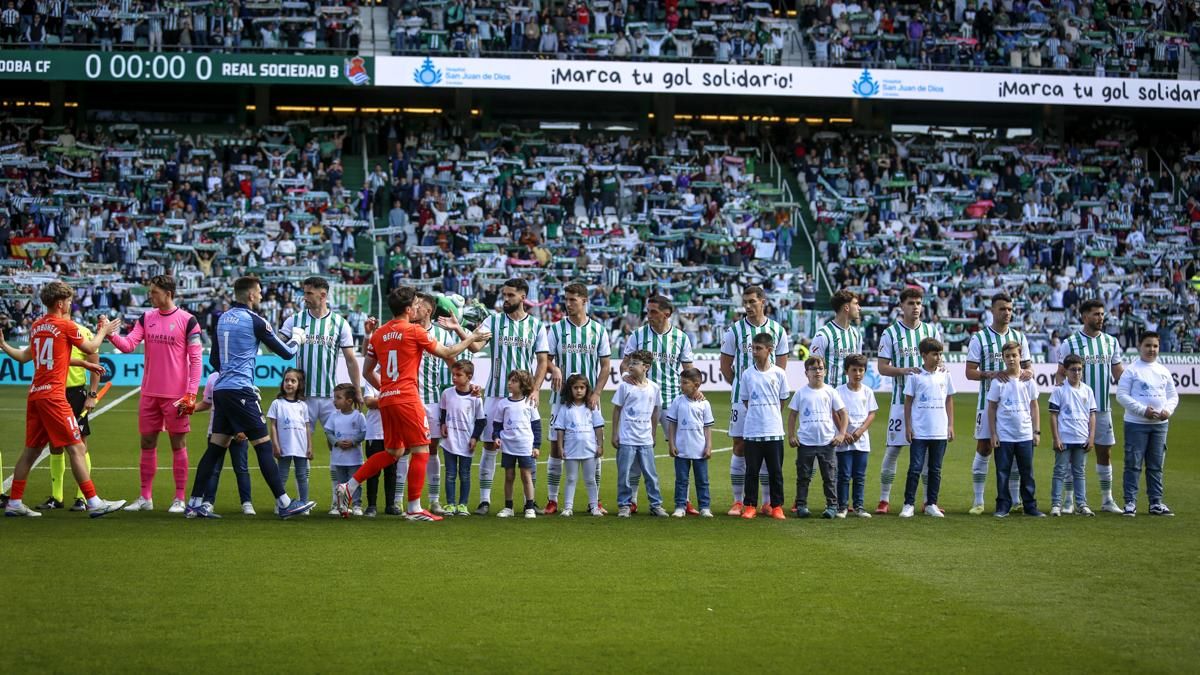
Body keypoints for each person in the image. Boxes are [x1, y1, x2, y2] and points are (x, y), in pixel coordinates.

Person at [334, 287, 489, 521]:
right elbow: (447, 351)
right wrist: (471, 338)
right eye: (415, 303)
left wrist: (387, 388)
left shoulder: (378, 334)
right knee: (421, 448)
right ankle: (415, 507)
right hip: (407, 398)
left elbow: (367, 372)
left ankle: (349, 485)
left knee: (393, 451)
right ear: (408, 309)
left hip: (387, 399)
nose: (418, 307)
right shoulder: (414, 331)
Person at [185, 275, 315, 519]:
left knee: (215, 449)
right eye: (260, 292)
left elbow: (214, 360)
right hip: (241, 390)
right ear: (252, 295)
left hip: (222, 390)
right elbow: (286, 353)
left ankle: (194, 502)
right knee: (263, 445)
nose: (262, 296)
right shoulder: (256, 321)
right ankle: (285, 502)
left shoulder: (222, 318)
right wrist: (298, 337)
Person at [0, 281, 125, 518]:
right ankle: (94, 502)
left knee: (31, 451)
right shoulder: (66, 325)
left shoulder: (37, 326)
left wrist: (4, 344)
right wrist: (104, 330)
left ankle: (14, 502)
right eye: (68, 301)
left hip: (36, 394)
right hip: (54, 397)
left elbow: (25, 357)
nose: (70, 305)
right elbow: (92, 345)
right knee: (76, 447)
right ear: (60, 303)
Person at [108, 274, 203, 513]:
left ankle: (179, 498)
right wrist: (109, 334)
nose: (150, 296)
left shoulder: (188, 321)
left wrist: (191, 394)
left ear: (167, 294)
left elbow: (196, 359)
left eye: (153, 292)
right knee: (147, 442)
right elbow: (129, 346)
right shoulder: (146, 318)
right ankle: (144, 497)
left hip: (177, 396)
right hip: (149, 393)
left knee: (177, 444)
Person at [279, 277, 361, 507]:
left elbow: (351, 360)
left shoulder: (339, 323)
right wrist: (291, 341)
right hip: (301, 399)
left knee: (338, 446)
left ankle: (340, 501)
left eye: (308, 293)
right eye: (304, 293)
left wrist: (358, 391)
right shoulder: (294, 320)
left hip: (329, 399)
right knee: (296, 449)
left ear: (322, 295)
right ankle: (294, 502)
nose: (304, 297)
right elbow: (276, 345)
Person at [475, 278, 548, 516]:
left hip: (524, 399)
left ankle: (530, 500)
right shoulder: (493, 321)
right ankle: (485, 500)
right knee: (489, 446)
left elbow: (542, 361)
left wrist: (535, 389)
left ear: (523, 297)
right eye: (504, 295)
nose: (505, 299)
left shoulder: (536, 326)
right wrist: (457, 328)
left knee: (526, 446)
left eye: (510, 296)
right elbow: (475, 347)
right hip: (496, 393)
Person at [622, 294, 697, 514]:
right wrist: (625, 372)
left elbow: (688, 369)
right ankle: (632, 499)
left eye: (654, 311)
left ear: (667, 313)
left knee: (682, 451)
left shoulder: (681, 338)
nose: (649, 315)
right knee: (637, 449)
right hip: (644, 402)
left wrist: (696, 390)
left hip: (673, 401)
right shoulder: (638, 335)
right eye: (648, 311)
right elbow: (626, 362)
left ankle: (684, 500)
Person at [720, 286, 789, 517]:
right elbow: (725, 366)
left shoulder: (777, 330)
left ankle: (769, 502)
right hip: (742, 398)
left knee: (768, 449)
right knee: (740, 446)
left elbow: (782, 365)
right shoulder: (734, 331)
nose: (748, 307)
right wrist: (742, 386)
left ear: (763, 301)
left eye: (752, 302)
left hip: (768, 402)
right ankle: (739, 501)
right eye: (745, 302)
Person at [544, 282, 611, 515]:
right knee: (555, 447)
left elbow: (605, 366)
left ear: (584, 301)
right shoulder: (556, 329)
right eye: (567, 299)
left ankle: (596, 501)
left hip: (590, 399)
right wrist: (555, 369)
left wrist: (597, 393)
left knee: (594, 447)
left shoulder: (599, 330)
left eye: (573, 300)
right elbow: (546, 360)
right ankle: (553, 500)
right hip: (560, 398)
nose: (568, 304)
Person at [874, 287, 940, 514]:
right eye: (911, 303)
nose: (916, 307)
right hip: (901, 403)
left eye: (919, 303)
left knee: (928, 455)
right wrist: (905, 371)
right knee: (893, 450)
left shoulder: (931, 331)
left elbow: (941, 364)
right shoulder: (890, 333)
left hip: (927, 405)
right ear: (901, 306)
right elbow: (882, 367)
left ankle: (928, 501)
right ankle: (884, 499)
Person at [1055, 299, 1125, 514]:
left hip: (1101, 408)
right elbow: (1060, 374)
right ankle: (1068, 501)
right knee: (1070, 454)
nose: (1100, 318)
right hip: (1073, 411)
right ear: (1084, 317)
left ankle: (1107, 500)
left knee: (1105, 452)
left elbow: (1118, 373)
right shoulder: (1070, 343)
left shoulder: (1111, 342)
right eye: (1096, 314)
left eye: (1102, 314)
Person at [967, 293, 1034, 515]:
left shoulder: (1019, 337)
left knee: (1014, 449)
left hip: (1015, 406)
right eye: (1002, 309)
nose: (1007, 313)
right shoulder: (980, 338)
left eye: (1009, 309)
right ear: (992, 310)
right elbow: (969, 373)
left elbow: (1029, 368)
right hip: (988, 403)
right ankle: (978, 501)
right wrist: (992, 374)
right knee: (985, 448)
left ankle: (1015, 500)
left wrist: (1028, 372)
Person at [414, 292, 480, 516]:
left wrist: (468, 386)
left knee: (431, 450)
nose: (413, 308)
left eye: (418, 305)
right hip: (409, 399)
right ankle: (397, 500)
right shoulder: (405, 330)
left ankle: (433, 500)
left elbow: (455, 362)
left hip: (432, 401)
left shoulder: (442, 335)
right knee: (403, 451)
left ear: (428, 310)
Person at [35, 322, 103, 512]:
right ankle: (57, 497)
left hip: (75, 394)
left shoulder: (83, 331)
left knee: (80, 445)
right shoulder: (49, 329)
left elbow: (95, 364)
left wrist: (92, 395)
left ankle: (82, 497)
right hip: (53, 392)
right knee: (54, 445)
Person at [1115, 332, 1178, 517]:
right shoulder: (1132, 370)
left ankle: (1156, 503)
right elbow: (1122, 396)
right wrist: (1143, 411)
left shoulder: (1163, 370)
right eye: (1148, 345)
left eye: (1155, 346)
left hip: (1160, 425)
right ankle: (1130, 503)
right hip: (1136, 424)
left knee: (1156, 465)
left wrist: (1167, 411)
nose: (1152, 349)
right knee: (1133, 464)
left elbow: (1173, 396)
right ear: (1139, 346)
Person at [987, 341, 1044, 518]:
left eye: (1014, 355)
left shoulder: (1028, 380)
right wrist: (993, 433)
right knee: (1002, 472)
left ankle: (1030, 506)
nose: (1011, 359)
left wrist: (1036, 432)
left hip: (1025, 434)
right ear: (1003, 358)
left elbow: (1034, 407)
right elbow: (992, 408)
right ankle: (1003, 506)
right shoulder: (998, 382)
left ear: (1020, 357)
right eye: (1007, 356)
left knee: (1027, 472)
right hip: (1004, 435)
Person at [738, 333, 791, 520]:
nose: (755, 352)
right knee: (751, 470)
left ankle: (776, 506)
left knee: (775, 471)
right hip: (752, 430)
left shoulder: (779, 373)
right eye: (753, 348)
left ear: (769, 350)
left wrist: (771, 415)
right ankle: (750, 505)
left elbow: (782, 400)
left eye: (758, 348)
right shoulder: (747, 374)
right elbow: (745, 400)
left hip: (774, 430)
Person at [787, 355, 847, 519]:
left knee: (829, 477)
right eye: (813, 369)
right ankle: (801, 506)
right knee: (804, 477)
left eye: (820, 368)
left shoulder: (830, 391)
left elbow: (843, 413)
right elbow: (792, 415)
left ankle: (832, 506)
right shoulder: (801, 393)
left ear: (825, 372)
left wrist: (841, 433)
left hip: (827, 442)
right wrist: (791, 436)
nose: (817, 371)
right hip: (805, 442)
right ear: (806, 372)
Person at [900, 338, 954, 518]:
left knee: (935, 469)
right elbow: (908, 403)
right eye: (934, 354)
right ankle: (908, 504)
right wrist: (908, 426)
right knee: (915, 468)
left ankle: (931, 503)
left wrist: (951, 425)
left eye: (940, 354)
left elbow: (949, 400)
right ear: (924, 355)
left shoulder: (945, 375)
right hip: (920, 430)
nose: (938, 357)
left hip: (939, 430)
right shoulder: (915, 376)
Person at [612, 350, 668, 518]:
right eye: (630, 363)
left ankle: (656, 504)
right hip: (627, 438)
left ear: (646, 367)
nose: (630, 366)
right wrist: (615, 433)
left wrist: (653, 433)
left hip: (645, 439)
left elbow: (655, 412)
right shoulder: (624, 386)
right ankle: (624, 504)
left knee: (651, 474)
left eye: (635, 364)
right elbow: (617, 410)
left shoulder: (654, 388)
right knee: (625, 473)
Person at [194, 371, 252, 514]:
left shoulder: (243, 373)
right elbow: (207, 403)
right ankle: (208, 502)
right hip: (216, 430)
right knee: (213, 469)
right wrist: (190, 407)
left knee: (241, 469)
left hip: (239, 432)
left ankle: (247, 503)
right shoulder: (213, 377)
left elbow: (250, 404)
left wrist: (244, 429)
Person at [1048, 354, 1097, 517]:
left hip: (1081, 438)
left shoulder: (1087, 390)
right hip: (1065, 438)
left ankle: (1081, 504)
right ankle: (1056, 504)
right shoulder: (1059, 390)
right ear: (1066, 371)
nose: (1076, 373)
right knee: (1060, 471)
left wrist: (1091, 438)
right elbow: (1053, 415)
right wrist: (1056, 438)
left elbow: (1092, 416)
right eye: (1073, 370)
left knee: (1079, 472)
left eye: (1079, 369)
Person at [551, 374, 605, 517]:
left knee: (590, 479)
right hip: (571, 450)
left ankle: (594, 507)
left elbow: (598, 428)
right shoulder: (565, 408)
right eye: (576, 388)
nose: (579, 391)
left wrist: (600, 445)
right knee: (571, 478)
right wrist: (560, 448)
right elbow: (560, 430)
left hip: (589, 450)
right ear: (570, 389)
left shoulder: (592, 407)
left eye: (582, 387)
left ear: (587, 389)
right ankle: (568, 507)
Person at [665, 367, 714, 518]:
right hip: (682, 449)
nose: (682, 385)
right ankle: (680, 506)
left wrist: (708, 446)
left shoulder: (704, 404)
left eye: (685, 383)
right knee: (681, 480)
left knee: (702, 480)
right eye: (681, 382)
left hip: (699, 449)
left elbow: (707, 427)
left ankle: (705, 507)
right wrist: (672, 444)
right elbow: (672, 424)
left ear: (696, 384)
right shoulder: (678, 401)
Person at [493, 370, 542, 519]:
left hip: (524, 445)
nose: (509, 383)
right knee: (509, 476)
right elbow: (497, 424)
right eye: (509, 380)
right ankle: (509, 507)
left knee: (526, 475)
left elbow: (536, 426)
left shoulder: (529, 403)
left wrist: (536, 446)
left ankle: (529, 506)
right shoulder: (503, 403)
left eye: (514, 381)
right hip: (508, 445)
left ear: (522, 385)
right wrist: (496, 437)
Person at [439, 361, 484, 516]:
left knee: (464, 474)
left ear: (469, 377)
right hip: (449, 441)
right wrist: (443, 424)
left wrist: (475, 438)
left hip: (466, 441)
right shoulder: (447, 393)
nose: (454, 378)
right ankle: (450, 504)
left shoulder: (475, 397)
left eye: (459, 375)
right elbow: (443, 412)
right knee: (450, 474)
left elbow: (480, 420)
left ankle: (463, 504)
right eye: (453, 374)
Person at [835, 354, 877, 518]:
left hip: (862, 441)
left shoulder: (867, 392)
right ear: (847, 371)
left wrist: (860, 431)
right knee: (844, 475)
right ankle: (842, 506)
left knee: (859, 475)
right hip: (844, 441)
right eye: (854, 370)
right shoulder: (839, 391)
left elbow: (872, 413)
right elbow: (835, 413)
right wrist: (843, 432)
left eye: (861, 370)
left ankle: (859, 506)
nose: (857, 373)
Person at [269, 368, 312, 516]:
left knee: (302, 475)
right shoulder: (277, 403)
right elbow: (273, 426)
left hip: (301, 446)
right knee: (282, 476)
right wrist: (275, 445)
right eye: (286, 380)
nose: (289, 383)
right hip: (284, 446)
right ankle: (281, 504)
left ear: (299, 384)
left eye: (293, 381)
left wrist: (309, 447)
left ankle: (304, 503)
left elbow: (307, 427)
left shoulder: (303, 405)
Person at [327, 383, 367, 516]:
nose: (334, 401)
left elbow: (364, 433)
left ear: (349, 401)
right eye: (334, 397)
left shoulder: (358, 416)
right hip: (339, 458)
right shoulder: (334, 416)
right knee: (341, 483)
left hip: (354, 458)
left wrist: (354, 441)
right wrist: (336, 442)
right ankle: (341, 506)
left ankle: (356, 505)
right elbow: (328, 432)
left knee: (355, 483)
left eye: (338, 398)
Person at [810, 289, 863, 388]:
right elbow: (813, 368)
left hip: (849, 394)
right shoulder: (823, 334)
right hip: (829, 395)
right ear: (846, 307)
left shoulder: (856, 335)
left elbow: (858, 365)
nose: (859, 308)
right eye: (856, 304)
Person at [361, 379, 395, 517]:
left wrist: (380, 401)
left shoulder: (396, 379)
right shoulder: (372, 379)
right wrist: (391, 400)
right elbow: (369, 402)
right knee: (373, 471)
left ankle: (390, 505)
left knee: (392, 471)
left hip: (393, 432)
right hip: (375, 432)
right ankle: (371, 505)